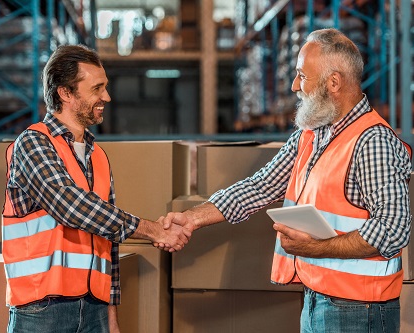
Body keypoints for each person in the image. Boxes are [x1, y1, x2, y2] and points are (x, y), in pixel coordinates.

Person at [159, 28, 412, 332]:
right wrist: (191, 219)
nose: (294, 86)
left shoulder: (373, 141)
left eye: (302, 76)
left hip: (360, 310)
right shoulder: (313, 134)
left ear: (334, 82)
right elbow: (260, 186)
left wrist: (315, 248)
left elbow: (394, 229)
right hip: (318, 299)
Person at [2, 44, 191, 333]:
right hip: (43, 309)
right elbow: (71, 206)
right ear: (65, 93)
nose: (107, 97)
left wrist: (110, 315)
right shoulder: (32, 143)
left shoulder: (97, 156)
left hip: (94, 310)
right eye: (97, 88)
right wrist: (154, 230)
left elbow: (107, 238)